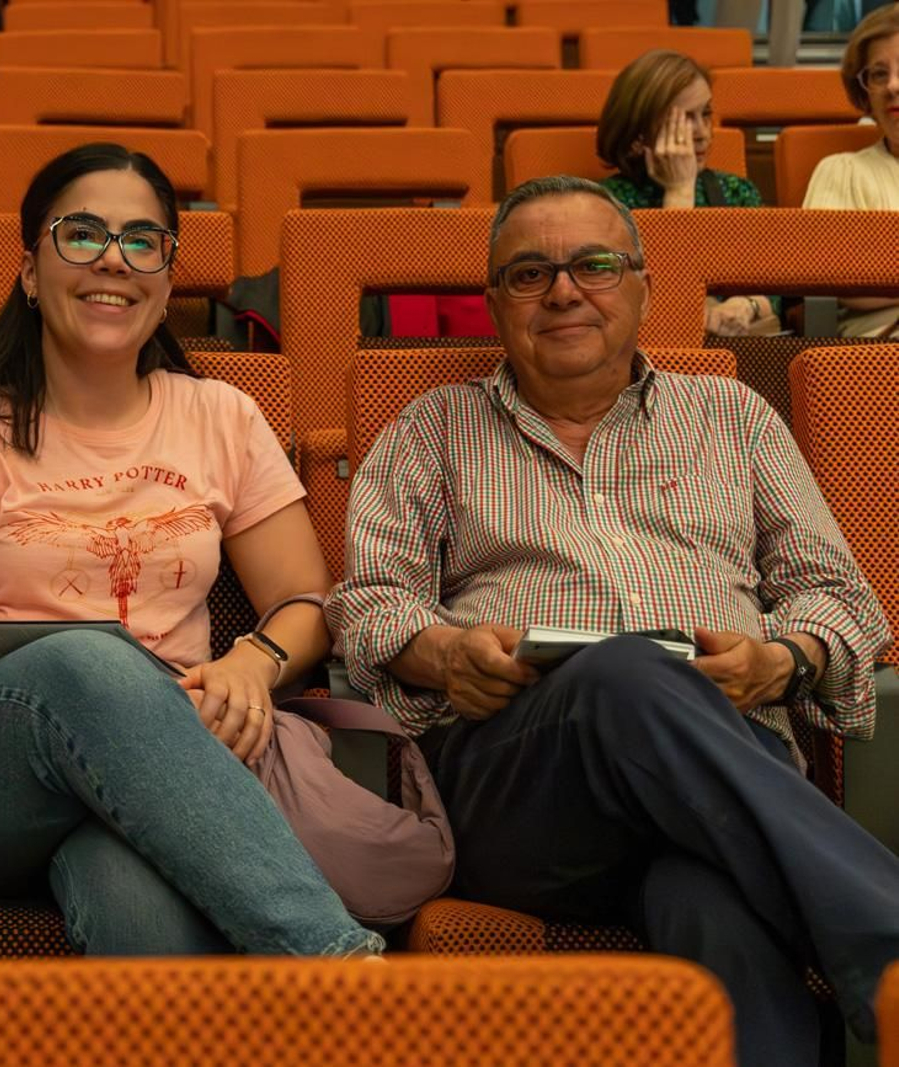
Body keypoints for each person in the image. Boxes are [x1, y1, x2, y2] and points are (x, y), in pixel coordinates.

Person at [327, 174, 899, 1067]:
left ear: (641, 286)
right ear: (493, 304)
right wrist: (444, 653)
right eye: (529, 273)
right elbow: (366, 602)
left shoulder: (735, 418)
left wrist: (781, 661)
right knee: (626, 674)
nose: (563, 290)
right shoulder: (431, 429)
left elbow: (842, 595)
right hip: (521, 787)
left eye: (594, 265)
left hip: (714, 778)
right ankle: (888, 949)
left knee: (711, 912)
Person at [0, 143, 382, 959]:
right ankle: (338, 968)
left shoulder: (223, 416)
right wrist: (115, 710)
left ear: (168, 278)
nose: (114, 259)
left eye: (143, 242)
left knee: (142, 916)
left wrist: (252, 662)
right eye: (82, 234)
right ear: (32, 271)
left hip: (159, 776)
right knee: (89, 662)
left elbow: (305, 600)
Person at [597, 49, 774, 336]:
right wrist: (679, 191)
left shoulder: (737, 192)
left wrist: (746, 305)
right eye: (683, 119)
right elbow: (647, 302)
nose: (702, 132)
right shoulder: (606, 204)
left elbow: (775, 289)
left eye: (705, 114)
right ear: (640, 133)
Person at [802, 4, 899, 335]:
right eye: (879, 74)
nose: (893, 86)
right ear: (864, 91)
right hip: (873, 358)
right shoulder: (841, 171)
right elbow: (831, 276)